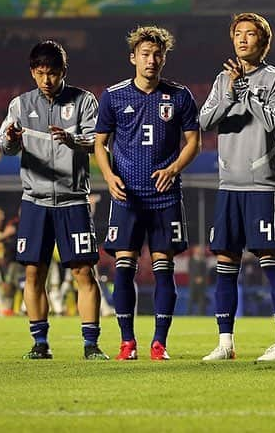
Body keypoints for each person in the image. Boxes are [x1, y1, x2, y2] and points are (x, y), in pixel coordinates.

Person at [94, 26, 200, 361]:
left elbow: (194, 141)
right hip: (126, 196)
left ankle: (159, 343)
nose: (151, 60)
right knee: (123, 268)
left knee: (163, 268)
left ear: (164, 58)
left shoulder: (179, 96)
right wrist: (109, 176)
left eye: (157, 55)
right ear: (133, 58)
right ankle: (127, 342)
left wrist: (173, 169)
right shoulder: (113, 96)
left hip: (165, 196)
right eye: (145, 54)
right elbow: (99, 144)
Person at [0, 40, 109, 359]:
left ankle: (91, 345)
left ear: (64, 72)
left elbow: (98, 142)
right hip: (35, 201)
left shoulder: (84, 101)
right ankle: (40, 343)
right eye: (41, 73)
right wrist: (10, 140)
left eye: (54, 74)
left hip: (74, 200)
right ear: (33, 72)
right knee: (34, 273)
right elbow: (5, 144)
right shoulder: (20, 105)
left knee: (84, 273)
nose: (47, 80)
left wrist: (74, 140)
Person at [199, 12, 275, 361]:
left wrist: (246, 91)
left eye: (250, 34)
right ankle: (225, 343)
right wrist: (229, 91)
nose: (242, 39)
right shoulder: (221, 79)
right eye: (238, 34)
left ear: (263, 41)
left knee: (270, 258)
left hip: (262, 184)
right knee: (225, 260)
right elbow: (204, 120)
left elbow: (271, 121)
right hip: (229, 183)